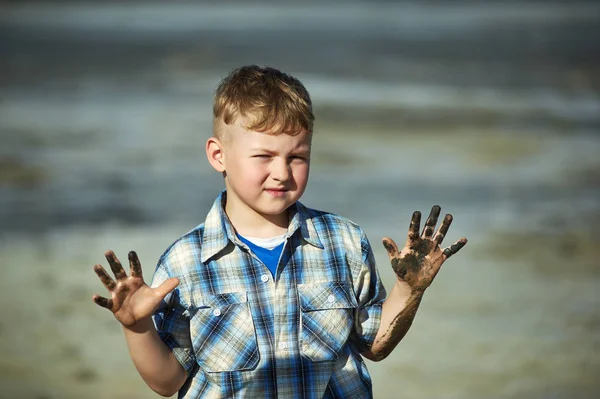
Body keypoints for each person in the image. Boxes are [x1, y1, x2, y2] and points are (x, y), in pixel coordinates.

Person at [92, 65, 467, 398]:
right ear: (218, 155)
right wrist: (138, 327)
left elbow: (375, 345)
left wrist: (409, 289)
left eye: (297, 157)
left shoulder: (344, 242)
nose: (282, 172)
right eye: (264, 156)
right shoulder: (187, 262)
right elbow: (168, 382)